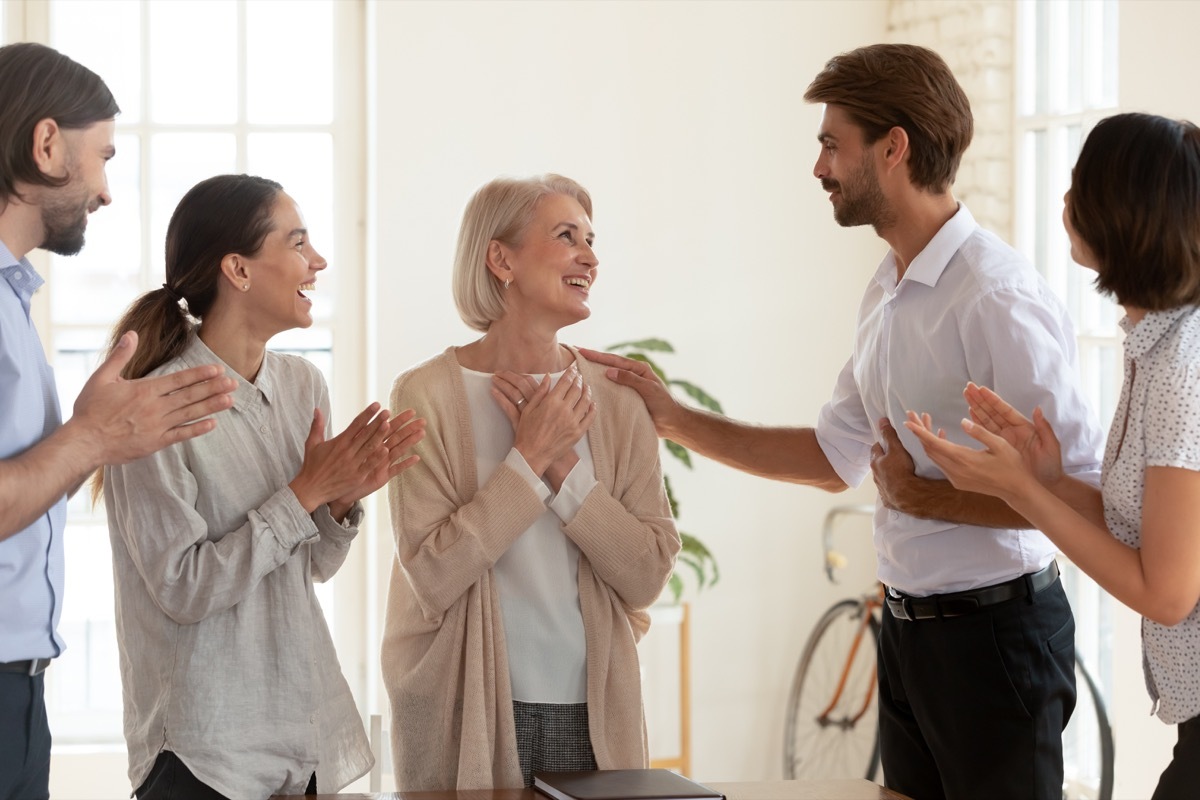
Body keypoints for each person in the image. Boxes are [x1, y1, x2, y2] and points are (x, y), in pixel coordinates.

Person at [584, 44, 1105, 800]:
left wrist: (930, 500)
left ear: (893, 148)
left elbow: (1081, 496)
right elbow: (835, 455)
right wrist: (674, 419)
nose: (819, 167)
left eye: (833, 143)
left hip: (998, 640)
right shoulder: (889, 292)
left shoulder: (997, 298)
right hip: (909, 636)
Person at [98, 174, 426, 800]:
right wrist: (303, 494)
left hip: (297, 736)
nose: (318, 261)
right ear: (238, 271)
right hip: (203, 752)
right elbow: (183, 588)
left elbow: (313, 567)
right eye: (298, 242)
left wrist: (337, 501)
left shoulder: (303, 387)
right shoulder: (156, 404)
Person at [905, 112, 1200, 800]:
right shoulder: (1154, 346)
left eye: (1080, 186)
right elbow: (1148, 529)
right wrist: (1050, 481)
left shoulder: (1183, 366)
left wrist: (1022, 493)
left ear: (1126, 212)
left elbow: (1167, 591)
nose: (1065, 201)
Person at [381, 174, 680, 791]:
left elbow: (647, 573)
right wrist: (527, 456)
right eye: (566, 236)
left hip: (594, 707)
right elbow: (431, 573)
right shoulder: (427, 395)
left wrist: (562, 470)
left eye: (592, 241)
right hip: (464, 702)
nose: (590, 257)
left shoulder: (618, 401)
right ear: (501, 259)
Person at [0, 43, 236, 800]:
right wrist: (93, 438)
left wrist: (94, 438)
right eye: (100, 156)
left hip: (21, 684)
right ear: (45, 145)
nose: (104, 192)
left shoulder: (14, 300)